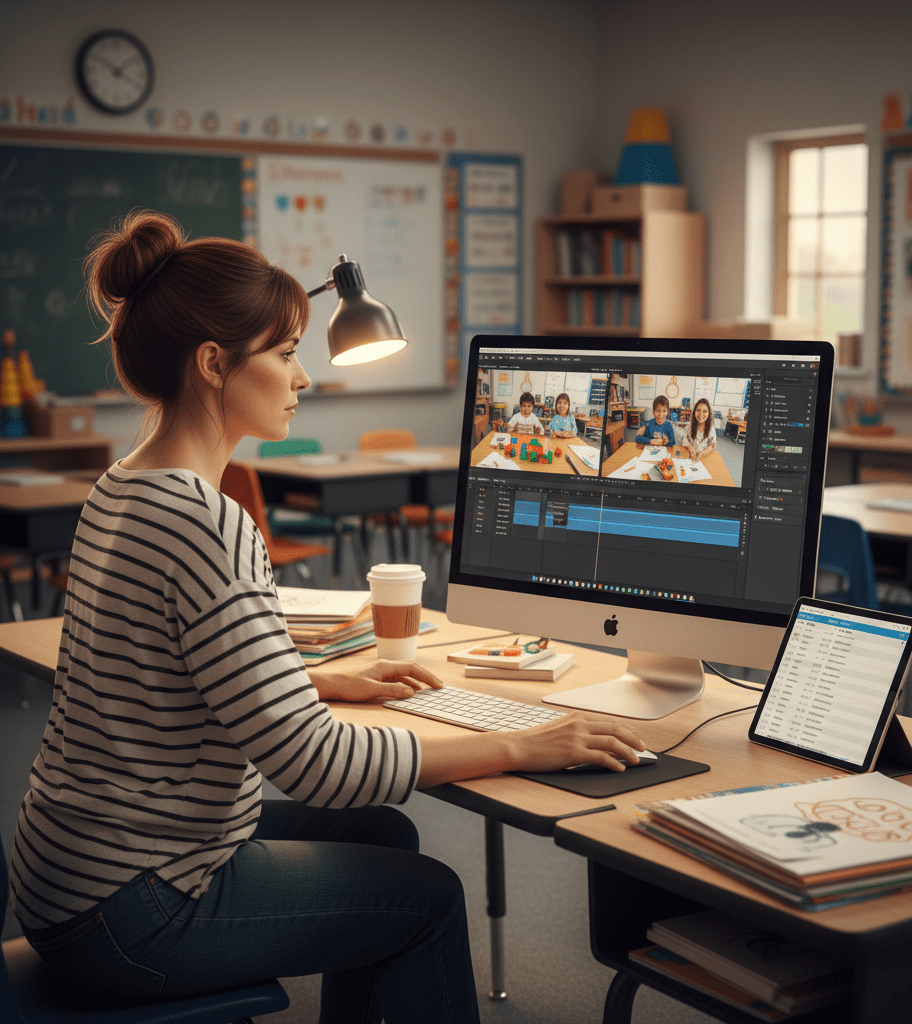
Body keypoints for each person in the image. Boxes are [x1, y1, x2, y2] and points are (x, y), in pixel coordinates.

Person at [8, 211, 646, 1024]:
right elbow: (318, 765)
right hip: (134, 908)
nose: (303, 377)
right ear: (213, 363)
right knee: (427, 899)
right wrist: (523, 744)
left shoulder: (122, 486)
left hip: (68, 875)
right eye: (284, 353)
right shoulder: (207, 521)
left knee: (382, 837)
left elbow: (160, 676)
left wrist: (313, 680)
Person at [684, 396, 718, 462]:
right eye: (698, 410)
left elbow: (712, 445)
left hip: (704, 458)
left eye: (705, 411)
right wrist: (690, 448)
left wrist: (702, 453)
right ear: (694, 412)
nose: (701, 414)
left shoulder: (711, 429)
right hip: (690, 457)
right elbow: (685, 440)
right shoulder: (689, 426)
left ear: (709, 413)